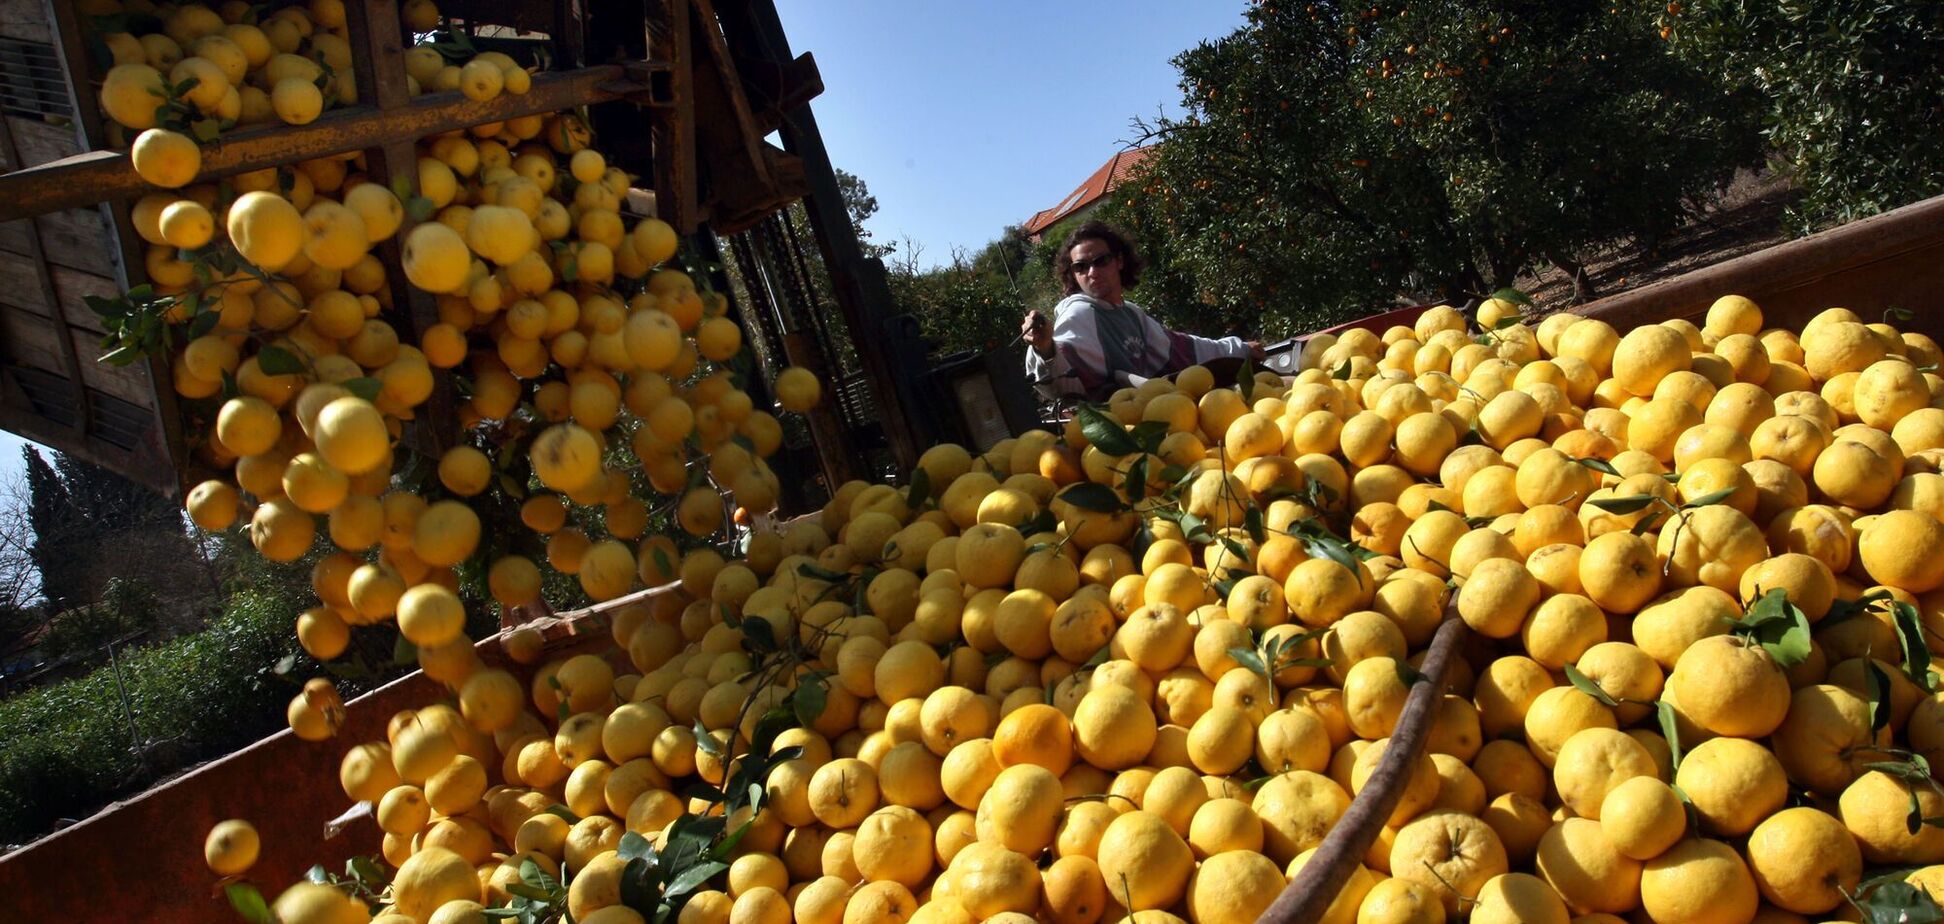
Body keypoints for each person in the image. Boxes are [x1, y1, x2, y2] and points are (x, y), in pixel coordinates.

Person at [1023, 221, 1263, 401]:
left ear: (1119, 261)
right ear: (1073, 274)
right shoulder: (1079, 314)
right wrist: (1043, 349)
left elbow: (1184, 347)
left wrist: (1240, 349)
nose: (1092, 272)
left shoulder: (1130, 313)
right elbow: (1059, 381)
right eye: (1081, 267)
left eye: (1100, 261)